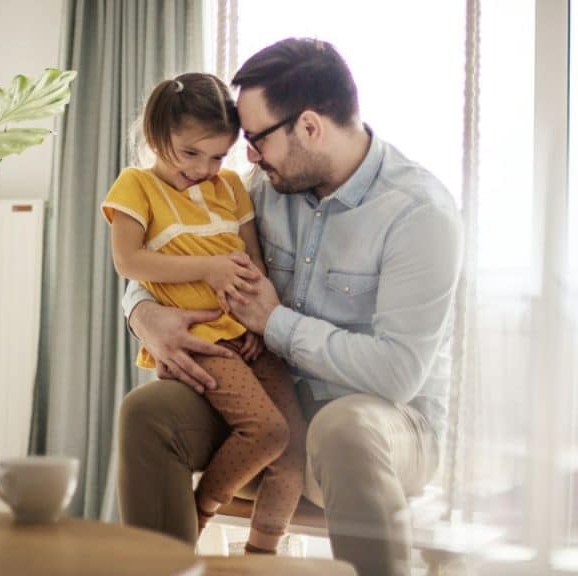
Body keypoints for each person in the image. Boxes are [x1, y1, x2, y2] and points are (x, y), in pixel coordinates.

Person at [117, 39, 463, 576]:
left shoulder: (419, 215)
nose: (246, 155)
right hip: (270, 407)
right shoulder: (264, 188)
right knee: (147, 413)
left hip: (384, 429)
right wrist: (143, 315)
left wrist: (274, 324)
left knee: (341, 429)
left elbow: (396, 375)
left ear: (309, 127)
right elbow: (179, 250)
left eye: (255, 138)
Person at [101, 72, 307, 555]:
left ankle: (260, 558)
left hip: (250, 335)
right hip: (202, 341)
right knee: (268, 431)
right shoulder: (137, 186)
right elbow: (128, 262)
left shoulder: (230, 186)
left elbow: (252, 260)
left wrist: (261, 320)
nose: (203, 168)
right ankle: (203, 510)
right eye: (190, 153)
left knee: (292, 452)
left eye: (217, 155)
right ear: (156, 137)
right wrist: (209, 269)